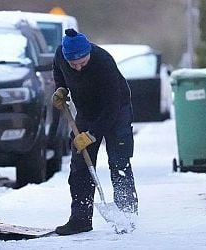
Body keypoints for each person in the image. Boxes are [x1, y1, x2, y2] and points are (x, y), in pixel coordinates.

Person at [52, 28, 138, 235]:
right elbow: (58, 70)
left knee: (119, 163)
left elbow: (111, 106)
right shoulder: (60, 56)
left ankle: (127, 217)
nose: (79, 68)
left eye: (82, 62)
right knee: (80, 165)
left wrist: (91, 135)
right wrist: (62, 88)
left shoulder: (103, 62)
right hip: (86, 110)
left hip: (116, 110)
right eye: (74, 64)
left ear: (88, 52)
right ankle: (80, 219)